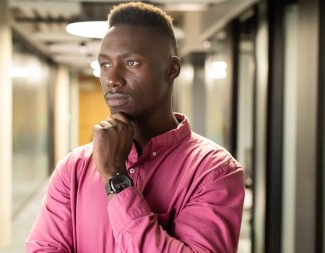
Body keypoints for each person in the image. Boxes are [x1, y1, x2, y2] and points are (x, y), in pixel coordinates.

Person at [26, 2, 245, 253]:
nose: (112, 79)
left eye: (131, 63)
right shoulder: (74, 167)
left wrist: (116, 179)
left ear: (172, 69)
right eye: (105, 65)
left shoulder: (214, 171)